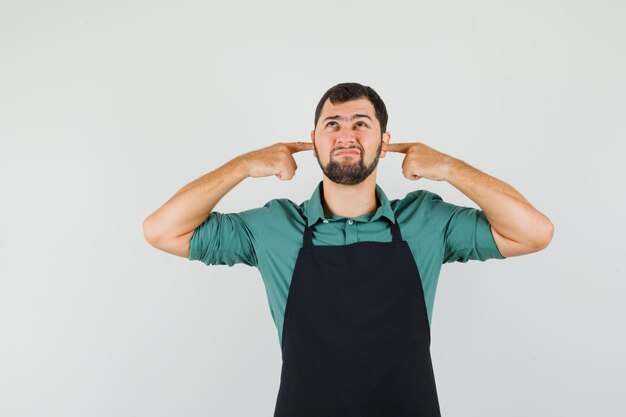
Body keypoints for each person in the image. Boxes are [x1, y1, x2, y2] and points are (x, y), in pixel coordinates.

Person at [143, 82, 554, 416]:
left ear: (385, 142)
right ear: (314, 142)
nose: (346, 134)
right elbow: (162, 230)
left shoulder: (427, 222)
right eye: (332, 124)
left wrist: (446, 167)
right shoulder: (275, 228)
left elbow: (534, 232)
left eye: (361, 123)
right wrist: (244, 166)